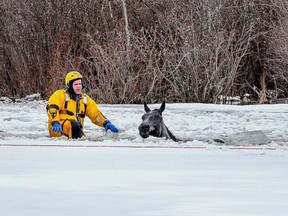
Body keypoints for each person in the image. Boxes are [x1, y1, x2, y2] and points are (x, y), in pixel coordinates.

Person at [46, 71, 119, 139]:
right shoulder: (59, 95)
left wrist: (106, 123)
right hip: (57, 129)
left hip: (76, 128)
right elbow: (52, 109)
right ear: (69, 85)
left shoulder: (85, 100)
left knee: (77, 128)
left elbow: (95, 114)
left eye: (80, 84)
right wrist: (55, 122)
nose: (78, 86)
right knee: (74, 125)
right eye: (75, 84)